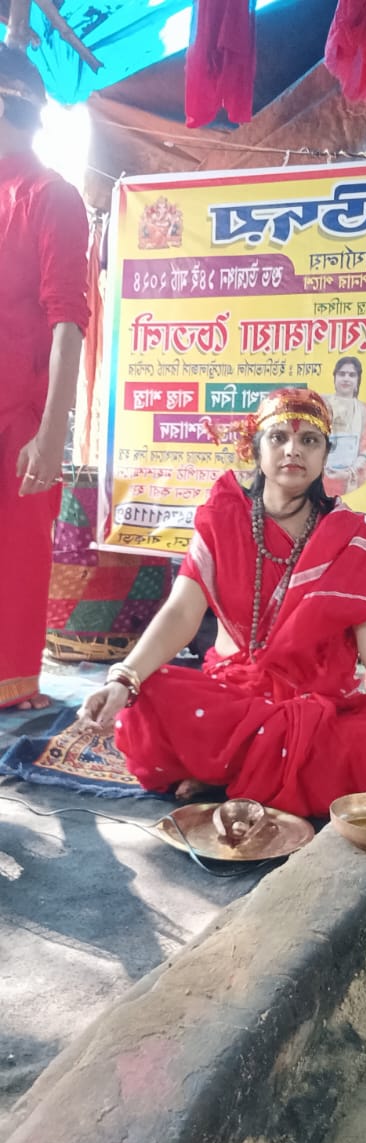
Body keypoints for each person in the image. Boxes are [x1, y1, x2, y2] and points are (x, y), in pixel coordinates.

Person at [80, 389, 366, 817]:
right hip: (232, 699)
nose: (294, 450)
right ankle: (246, 769)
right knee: (147, 695)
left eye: (310, 440)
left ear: (325, 454)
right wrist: (124, 678)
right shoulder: (222, 519)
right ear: (256, 449)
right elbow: (181, 612)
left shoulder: (348, 537)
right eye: (278, 438)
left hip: (318, 707)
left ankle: (225, 772)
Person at [0, 45, 89, 709]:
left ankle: (10, 688)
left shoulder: (50, 196)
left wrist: (53, 433)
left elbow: (68, 321)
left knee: (16, 559)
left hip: (20, 418)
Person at [323, 356, 366, 497]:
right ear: (335, 378)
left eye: (352, 375)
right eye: (342, 374)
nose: (346, 379)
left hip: (350, 480)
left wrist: (349, 472)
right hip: (319, 476)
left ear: (357, 381)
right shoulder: (321, 403)